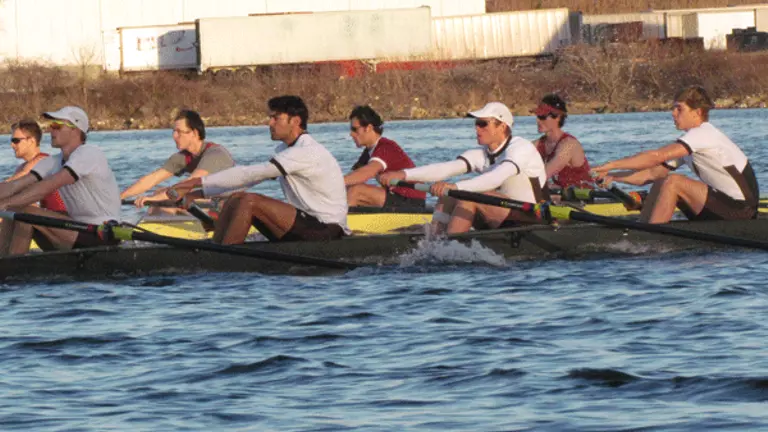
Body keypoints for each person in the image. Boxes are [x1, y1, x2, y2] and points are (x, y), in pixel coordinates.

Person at [165, 95, 349, 244]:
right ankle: (217, 246)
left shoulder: (306, 152)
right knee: (237, 198)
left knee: (249, 201)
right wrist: (197, 193)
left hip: (325, 230)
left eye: (275, 118)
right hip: (307, 224)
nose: (269, 123)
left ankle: (225, 256)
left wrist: (194, 183)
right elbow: (251, 179)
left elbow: (251, 173)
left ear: (295, 121)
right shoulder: (287, 150)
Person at [592, 85, 759, 224]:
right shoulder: (689, 143)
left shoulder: (704, 134)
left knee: (673, 182)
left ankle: (650, 239)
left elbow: (656, 156)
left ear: (698, 112)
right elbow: (651, 173)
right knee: (662, 180)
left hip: (741, 211)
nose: (673, 113)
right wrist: (613, 176)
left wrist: (612, 163)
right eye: (673, 108)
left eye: (679, 108)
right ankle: (642, 229)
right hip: (721, 206)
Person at [378, 102, 547, 235]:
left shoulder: (520, 147)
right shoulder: (481, 153)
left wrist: (456, 187)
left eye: (483, 124)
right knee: (447, 194)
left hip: (535, 217)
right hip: (502, 214)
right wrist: (403, 174)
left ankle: (451, 248)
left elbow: (497, 176)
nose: (476, 128)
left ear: (501, 127)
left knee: (466, 195)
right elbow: (445, 169)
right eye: (476, 124)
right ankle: (434, 241)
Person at [0, 106, 121, 256]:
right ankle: (3, 258)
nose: (51, 131)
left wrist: (7, 203)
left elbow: (50, 185)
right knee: (12, 210)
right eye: (51, 126)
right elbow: (13, 186)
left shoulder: (89, 153)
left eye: (57, 126)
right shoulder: (52, 161)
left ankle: (12, 269)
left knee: (23, 210)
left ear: (75, 129)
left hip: (101, 234)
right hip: (74, 230)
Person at [120, 109, 235, 207]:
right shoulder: (183, 157)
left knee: (165, 195)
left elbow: (191, 182)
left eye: (179, 132)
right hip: (207, 201)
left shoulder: (215, 154)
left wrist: (155, 199)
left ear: (194, 133)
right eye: (174, 131)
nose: (174, 136)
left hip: (227, 206)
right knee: (161, 193)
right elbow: (152, 179)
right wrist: (120, 197)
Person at [344, 105, 426, 208]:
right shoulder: (368, 152)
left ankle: (341, 223)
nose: (351, 134)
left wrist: (337, 182)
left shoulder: (385, 146)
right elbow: (354, 175)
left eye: (354, 129)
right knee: (347, 189)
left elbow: (368, 172)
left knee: (355, 190)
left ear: (368, 128)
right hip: (396, 197)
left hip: (411, 201)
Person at [533, 94, 593, 193]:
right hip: (561, 198)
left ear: (558, 117)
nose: (538, 120)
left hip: (583, 200)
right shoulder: (537, 144)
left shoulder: (569, 145)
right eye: (537, 116)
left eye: (542, 116)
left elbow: (544, 175)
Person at [6, 119, 67, 213]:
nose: (12, 145)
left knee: (22, 207)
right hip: (45, 217)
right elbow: (7, 191)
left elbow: (10, 184)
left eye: (16, 141)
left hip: (63, 216)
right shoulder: (21, 167)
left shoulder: (42, 160)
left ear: (31, 141)